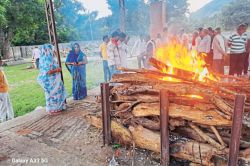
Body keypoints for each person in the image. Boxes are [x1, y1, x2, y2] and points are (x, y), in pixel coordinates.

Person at [37, 44, 67, 115]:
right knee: (54, 95)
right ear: (48, 50)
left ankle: (57, 108)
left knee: (53, 95)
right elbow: (48, 72)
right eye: (51, 49)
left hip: (53, 82)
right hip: (52, 83)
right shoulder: (47, 59)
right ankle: (54, 110)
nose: (52, 51)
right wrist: (57, 70)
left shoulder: (43, 58)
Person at [0, 58, 14, 122]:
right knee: (3, 106)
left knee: (8, 103)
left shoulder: (1, 69)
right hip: (1, 91)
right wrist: (4, 85)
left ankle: (11, 118)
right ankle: (3, 120)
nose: (2, 62)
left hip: (5, 90)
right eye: (1, 61)